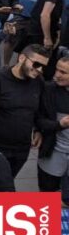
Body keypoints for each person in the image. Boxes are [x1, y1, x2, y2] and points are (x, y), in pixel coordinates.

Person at [0, 44, 49, 177]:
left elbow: (38, 109)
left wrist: (37, 130)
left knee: (7, 182)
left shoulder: (38, 81)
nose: (40, 70)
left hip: (22, 149)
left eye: (44, 66)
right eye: (36, 64)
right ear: (21, 58)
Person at [34, 57, 69, 195]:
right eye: (57, 70)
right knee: (47, 192)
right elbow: (38, 119)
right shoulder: (49, 90)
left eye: (63, 72)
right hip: (52, 154)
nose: (57, 75)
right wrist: (59, 124)